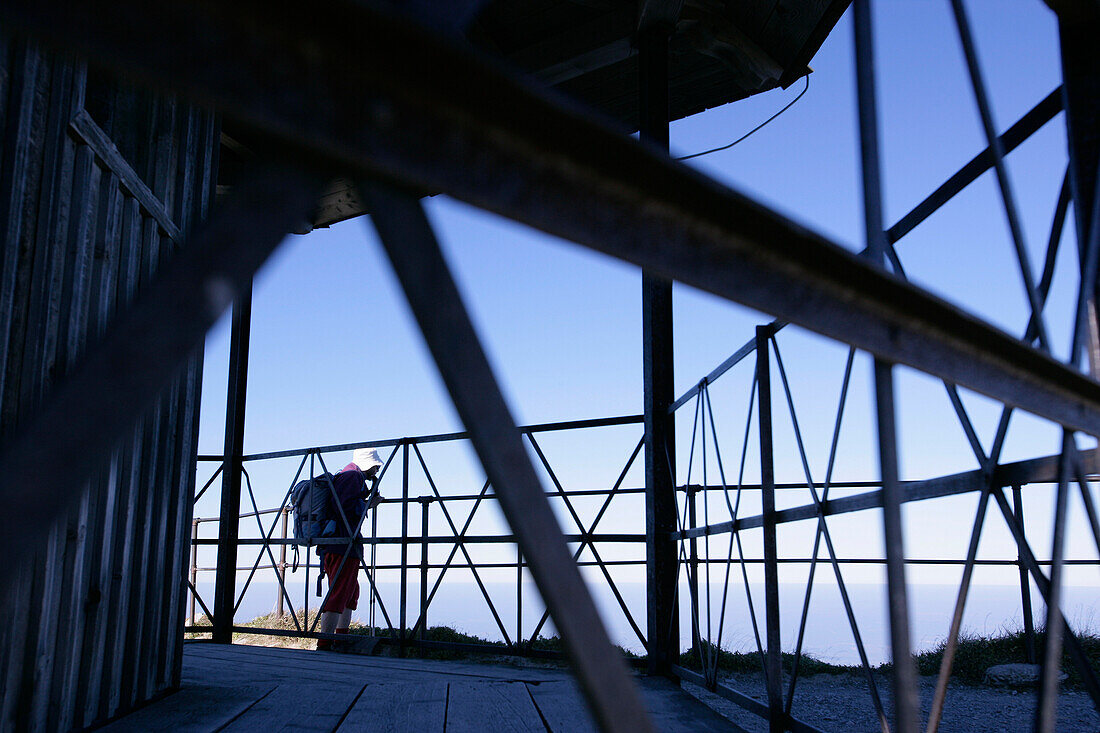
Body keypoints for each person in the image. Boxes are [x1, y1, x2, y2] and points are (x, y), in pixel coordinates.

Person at [317, 447, 383, 651]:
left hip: (338, 543)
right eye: (375, 466)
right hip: (343, 543)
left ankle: (339, 639)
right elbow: (344, 508)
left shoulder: (347, 474)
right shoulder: (352, 476)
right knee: (340, 591)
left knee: (349, 590)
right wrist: (368, 505)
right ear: (369, 464)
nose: (376, 470)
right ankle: (326, 643)